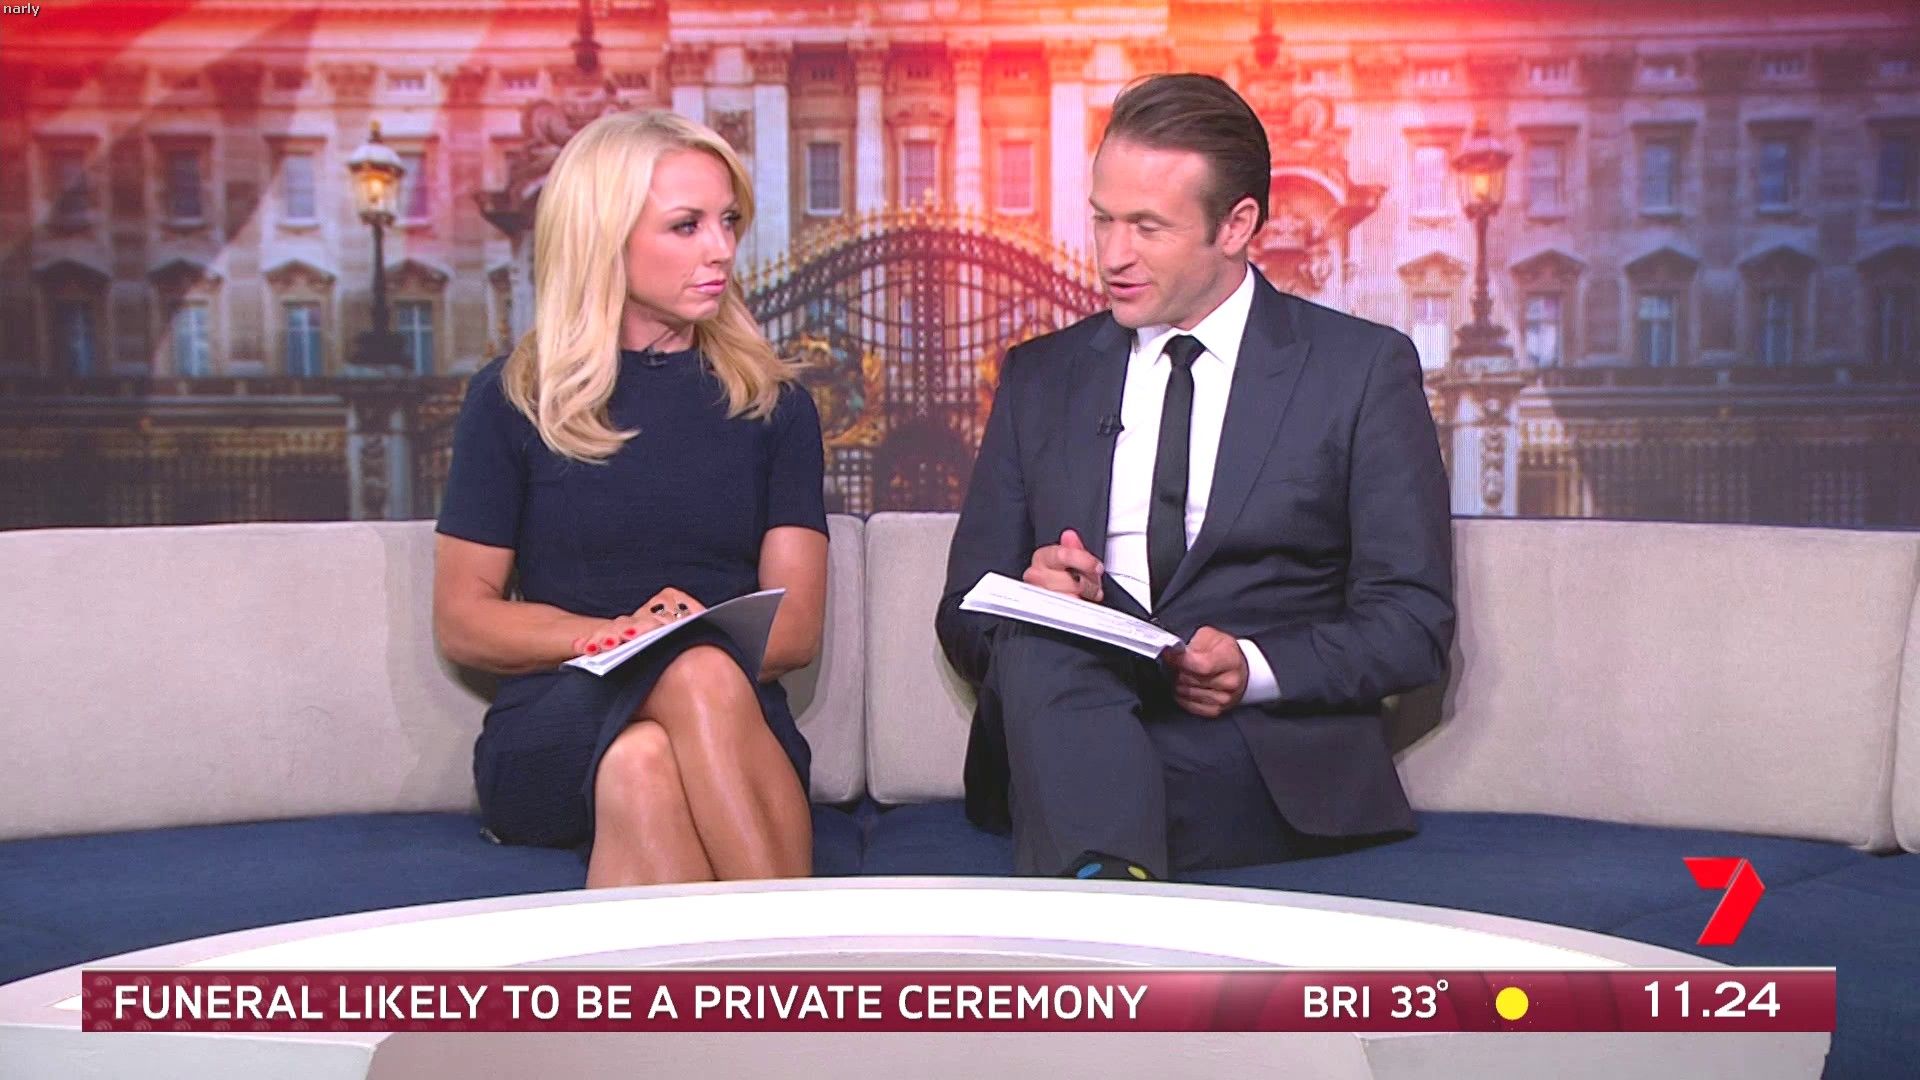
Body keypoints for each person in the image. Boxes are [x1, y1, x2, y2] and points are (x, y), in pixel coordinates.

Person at [936, 74, 1455, 881]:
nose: (1113, 255)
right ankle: (1110, 880)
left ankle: (1095, 877)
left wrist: (1253, 667)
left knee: (1093, 787)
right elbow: (964, 613)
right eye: (1103, 219)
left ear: (1236, 224)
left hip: (1253, 751)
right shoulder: (1042, 377)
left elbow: (1412, 625)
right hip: (1064, 720)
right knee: (1039, 640)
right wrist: (1035, 600)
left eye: (1147, 226)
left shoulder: (1358, 371)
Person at [432, 110, 827, 888]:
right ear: (604, 238)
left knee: (646, 756)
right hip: (559, 715)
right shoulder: (513, 399)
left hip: (734, 722)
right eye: (686, 225)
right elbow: (464, 618)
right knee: (690, 672)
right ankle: (803, 954)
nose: (721, 249)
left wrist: (688, 640)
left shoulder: (775, 405)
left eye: (728, 221)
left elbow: (796, 629)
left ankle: (710, 971)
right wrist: (618, 637)